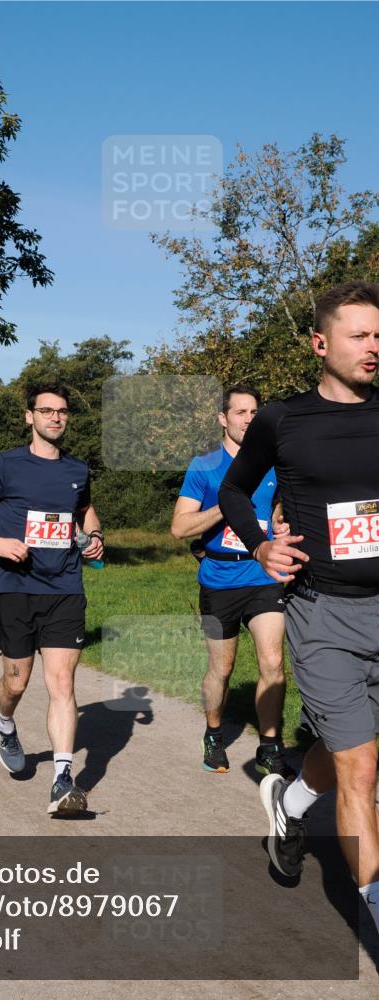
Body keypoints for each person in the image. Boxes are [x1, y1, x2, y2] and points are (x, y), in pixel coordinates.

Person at [218, 281, 379, 935]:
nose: (374, 346)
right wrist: (260, 544)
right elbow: (234, 492)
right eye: (359, 334)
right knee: (361, 767)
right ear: (320, 343)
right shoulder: (282, 419)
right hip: (323, 612)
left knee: (357, 753)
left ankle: (292, 800)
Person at [0, 383, 104, 815]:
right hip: (18, 588)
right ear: (29, 417)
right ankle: (3, 721)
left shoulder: (77, 468)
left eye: (62, 412)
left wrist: (94, 536)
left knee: (61, 684)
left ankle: (62, 780)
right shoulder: (6, 464)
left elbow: (84, 510)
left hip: (65, 589)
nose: (55, 418)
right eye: (46, 411)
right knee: (16, 683)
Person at [171, 384, 293, 777]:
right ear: (223, 418)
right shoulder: (204, 467)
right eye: (240, 412)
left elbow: (279, 513)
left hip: (263, 576)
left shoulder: (274, 466)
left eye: (255, 412)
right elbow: (179, 527)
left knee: (273, 662)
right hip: (219, 580)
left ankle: (270, 746)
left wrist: (279, 522)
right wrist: (227, 508)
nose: (249, 419)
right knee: (221, 669)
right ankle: (213, 733)